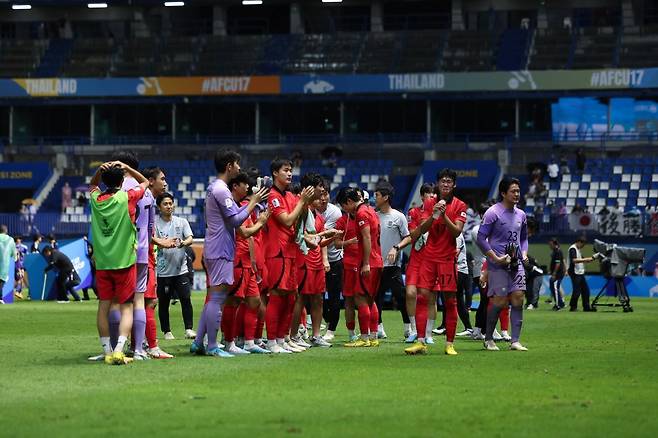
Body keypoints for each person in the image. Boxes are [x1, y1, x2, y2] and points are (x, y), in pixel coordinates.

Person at [190, 150, 268, 358]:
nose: (240, 168)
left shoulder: (216, 188)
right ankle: (213, 346)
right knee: (217, 298)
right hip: (221, 249)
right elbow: (235, 220)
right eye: (237, 164)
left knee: (215, 298)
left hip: (217, 247)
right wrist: (253, 202)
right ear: (229, 166)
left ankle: (199, 342)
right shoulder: (221, 190)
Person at [89, 160, 148, 365]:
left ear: (104, 181)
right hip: (124, 261)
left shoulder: (95, 199)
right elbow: (145, 182)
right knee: (126, 308)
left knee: (103, 306)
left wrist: (99, 171)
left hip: (103, 263)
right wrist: (128, 168)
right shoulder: (126, 197)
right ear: (122, 180)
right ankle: (119, 350)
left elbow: (92, 185)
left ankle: (107, 351)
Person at [405, 169, 467, 356]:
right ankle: (421, 341)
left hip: (447, 258)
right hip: (429, 258)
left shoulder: (460, 205)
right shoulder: (429, 203)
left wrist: (444, 214)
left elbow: (456, 232)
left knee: (450, 301)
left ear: (454, 185)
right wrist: (434, 215)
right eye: (443, 181)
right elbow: (421, 229)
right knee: (423, 297)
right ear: (438, 184)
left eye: (449, 181)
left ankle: (449, 344)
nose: (446, 184)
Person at [262, 158, 314, 354]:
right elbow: (286, 221)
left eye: (291, 170)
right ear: (275, 173)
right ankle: (271, 341)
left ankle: (283, 338)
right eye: (286, 170)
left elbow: (298, 221)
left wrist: (305, 204)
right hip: (277, 253)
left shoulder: (291, 196)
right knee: (277, 296)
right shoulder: (273, 196)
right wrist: (302, 202)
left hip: (291, 252)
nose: (290, 173)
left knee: (291, 298)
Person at [476, 177, 529, 352]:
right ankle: (489, 338)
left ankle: (515, 341)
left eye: (518, 191)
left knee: (518, 298)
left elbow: (524, 238)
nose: (516, 194)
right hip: (498, 264)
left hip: (516, 263)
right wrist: (494, 258)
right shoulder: (493, 212)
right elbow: (481, 238)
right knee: (499, 301)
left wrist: (524, 253)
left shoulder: (521, 214)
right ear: (503, 193)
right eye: (513, 191)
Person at [222, 172, 271, 355]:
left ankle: (249, 342)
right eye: (245, 185)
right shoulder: (237, 207)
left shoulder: (244, 207)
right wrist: (261, 222)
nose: (248, 188)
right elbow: (244, 233)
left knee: (254, 300)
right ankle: (229, 341)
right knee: (233, 301)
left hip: (247, 261)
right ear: (235, 186)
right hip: (237, 259)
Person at [291, 173, 341, 348]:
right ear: (311, 189)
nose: (323, 191)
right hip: (303, 259)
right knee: (301, 298)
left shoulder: (317, 215)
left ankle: (316, 336)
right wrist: (322, 235)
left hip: (316, 261)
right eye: (320, 187)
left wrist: (328, 238)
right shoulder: (301, 208)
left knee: (318, 298)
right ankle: (294, 335)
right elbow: (299, 235)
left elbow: (316, 241)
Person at [337, 187, 384, 348]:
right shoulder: (371, 210)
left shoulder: (362, 214)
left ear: (349, 202)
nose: (344, 210)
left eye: (344, 206)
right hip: (377, 260)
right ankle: (373, 336)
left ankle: (364, 338)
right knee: (370, 300)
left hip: (369, 262)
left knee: (360, 297)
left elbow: (366, 238)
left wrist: (365, 263)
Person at [154, 192, 195, 341]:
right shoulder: (155, 223)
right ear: (159, 207)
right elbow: (153, 241)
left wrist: (183, 243)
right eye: (165, 204)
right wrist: (163, 243)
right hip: (163, 271)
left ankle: (189, 329)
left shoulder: (181, 222)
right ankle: (167, 331)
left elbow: (190, 238)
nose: (169, 206)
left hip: (181, 269)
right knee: (163, 303)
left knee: (186, 299)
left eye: (171, 203)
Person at [374, 181, 411, 339]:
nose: (375, 198)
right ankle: (379, 328)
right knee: (377, 297)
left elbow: (408, 237)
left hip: (393, 265)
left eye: (377, 195)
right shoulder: (374, 216)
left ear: (385, 197)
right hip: (377, 264)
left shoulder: (399, 216)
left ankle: (408, 328)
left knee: (400, 296)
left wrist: (396, 248)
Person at [316, 178, 343, 342]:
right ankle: (319, 323)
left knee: (333, 296)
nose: (323, 198)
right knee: (315, 296)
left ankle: (331, 330)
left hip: (333, 260)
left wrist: (325, 259)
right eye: (321, 195)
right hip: (314, 260)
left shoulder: (334, 212)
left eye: (326, 194)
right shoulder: (311, 211)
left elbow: (323, 236)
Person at [567, 235, 596, 311]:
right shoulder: (572, 249)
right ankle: (573, 307)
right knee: (577, 291)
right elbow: (574, 260)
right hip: (574, 272)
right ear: (579, 242)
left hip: (579, 273)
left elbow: (581, 259)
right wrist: (586, 259)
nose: (583, 246)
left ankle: (586, 307)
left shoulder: (577, 249)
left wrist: (590, 259)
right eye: (583, 244)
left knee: (585, 291)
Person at [0, 225, 17, 304]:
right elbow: (14, 254)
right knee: (2, 280)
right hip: (4, 264)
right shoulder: (10, 240)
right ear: (6, 231)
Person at [548, 238, 566, 310]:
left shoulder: (558, 251)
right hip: (555, 273)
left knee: (555, 288)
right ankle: (561, 303)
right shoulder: (555, 251)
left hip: (558, 274)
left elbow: (558, 263)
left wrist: (554, 273)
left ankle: (558, 305)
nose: (549, 246)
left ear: (554, 244)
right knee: (553, 287)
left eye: (550, 244)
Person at [81, 236, 97, 301]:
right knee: (84, 285)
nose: (89, 249)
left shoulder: (94, 255)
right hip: (88, 273)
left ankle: (99, 296)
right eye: (87, 248)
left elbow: (92, 245)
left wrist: (86, 241)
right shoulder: (85, 257)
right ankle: (86, 297)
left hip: (95, 273)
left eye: (90, 248)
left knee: (94, 285)